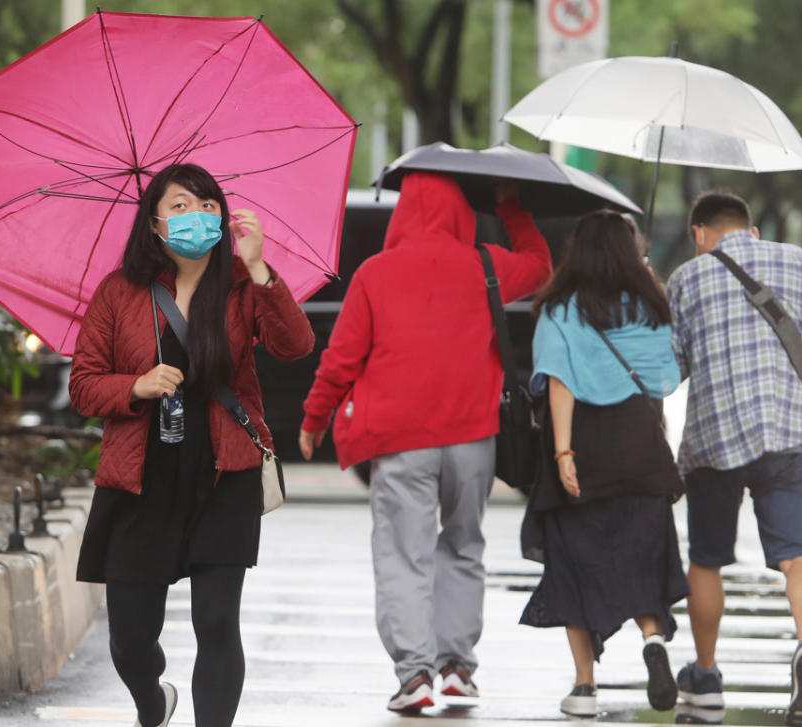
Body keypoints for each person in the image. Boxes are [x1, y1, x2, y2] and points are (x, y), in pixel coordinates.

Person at [70, 163, 314, 727]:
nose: (195, 217)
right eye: (179, 206)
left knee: (217, 623)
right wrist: (135, 384)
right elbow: (82, 385)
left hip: (223, 472)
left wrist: (259, 268)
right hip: (141, 477)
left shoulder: (240, 286)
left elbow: (295, 345)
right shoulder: (119, 291)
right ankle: (152, 701)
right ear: (153, 222)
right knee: (130, 639)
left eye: (207, 206)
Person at [298, 171, 552, 712]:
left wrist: (315, 416)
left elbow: (342, 357)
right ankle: (457, 666)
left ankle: (415, 675)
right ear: (461, 212)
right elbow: (539, 265)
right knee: (464, 546)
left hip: (400, 440)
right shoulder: (485, 263)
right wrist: (511, 210)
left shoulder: (375, 273)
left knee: (403, 555)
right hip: (472, 437)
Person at [667, 190, 802, 726]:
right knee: (798, 554)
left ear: (698, 235)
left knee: (707, 560)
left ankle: (708, 676)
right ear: (751, 231)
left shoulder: (686, 279)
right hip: (787, 430)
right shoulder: (797, 260)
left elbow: (669, 370)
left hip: (714, 438)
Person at [519, 210, 688, 718]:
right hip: (638, 442)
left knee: (575, 562)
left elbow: (559, 381)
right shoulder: (650, 307)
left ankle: (585, 686)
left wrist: (564, 452)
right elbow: (666, 380)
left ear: (579, 251)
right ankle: (653, 640)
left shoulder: (561, 310)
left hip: (586, 448)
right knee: (641, 554)